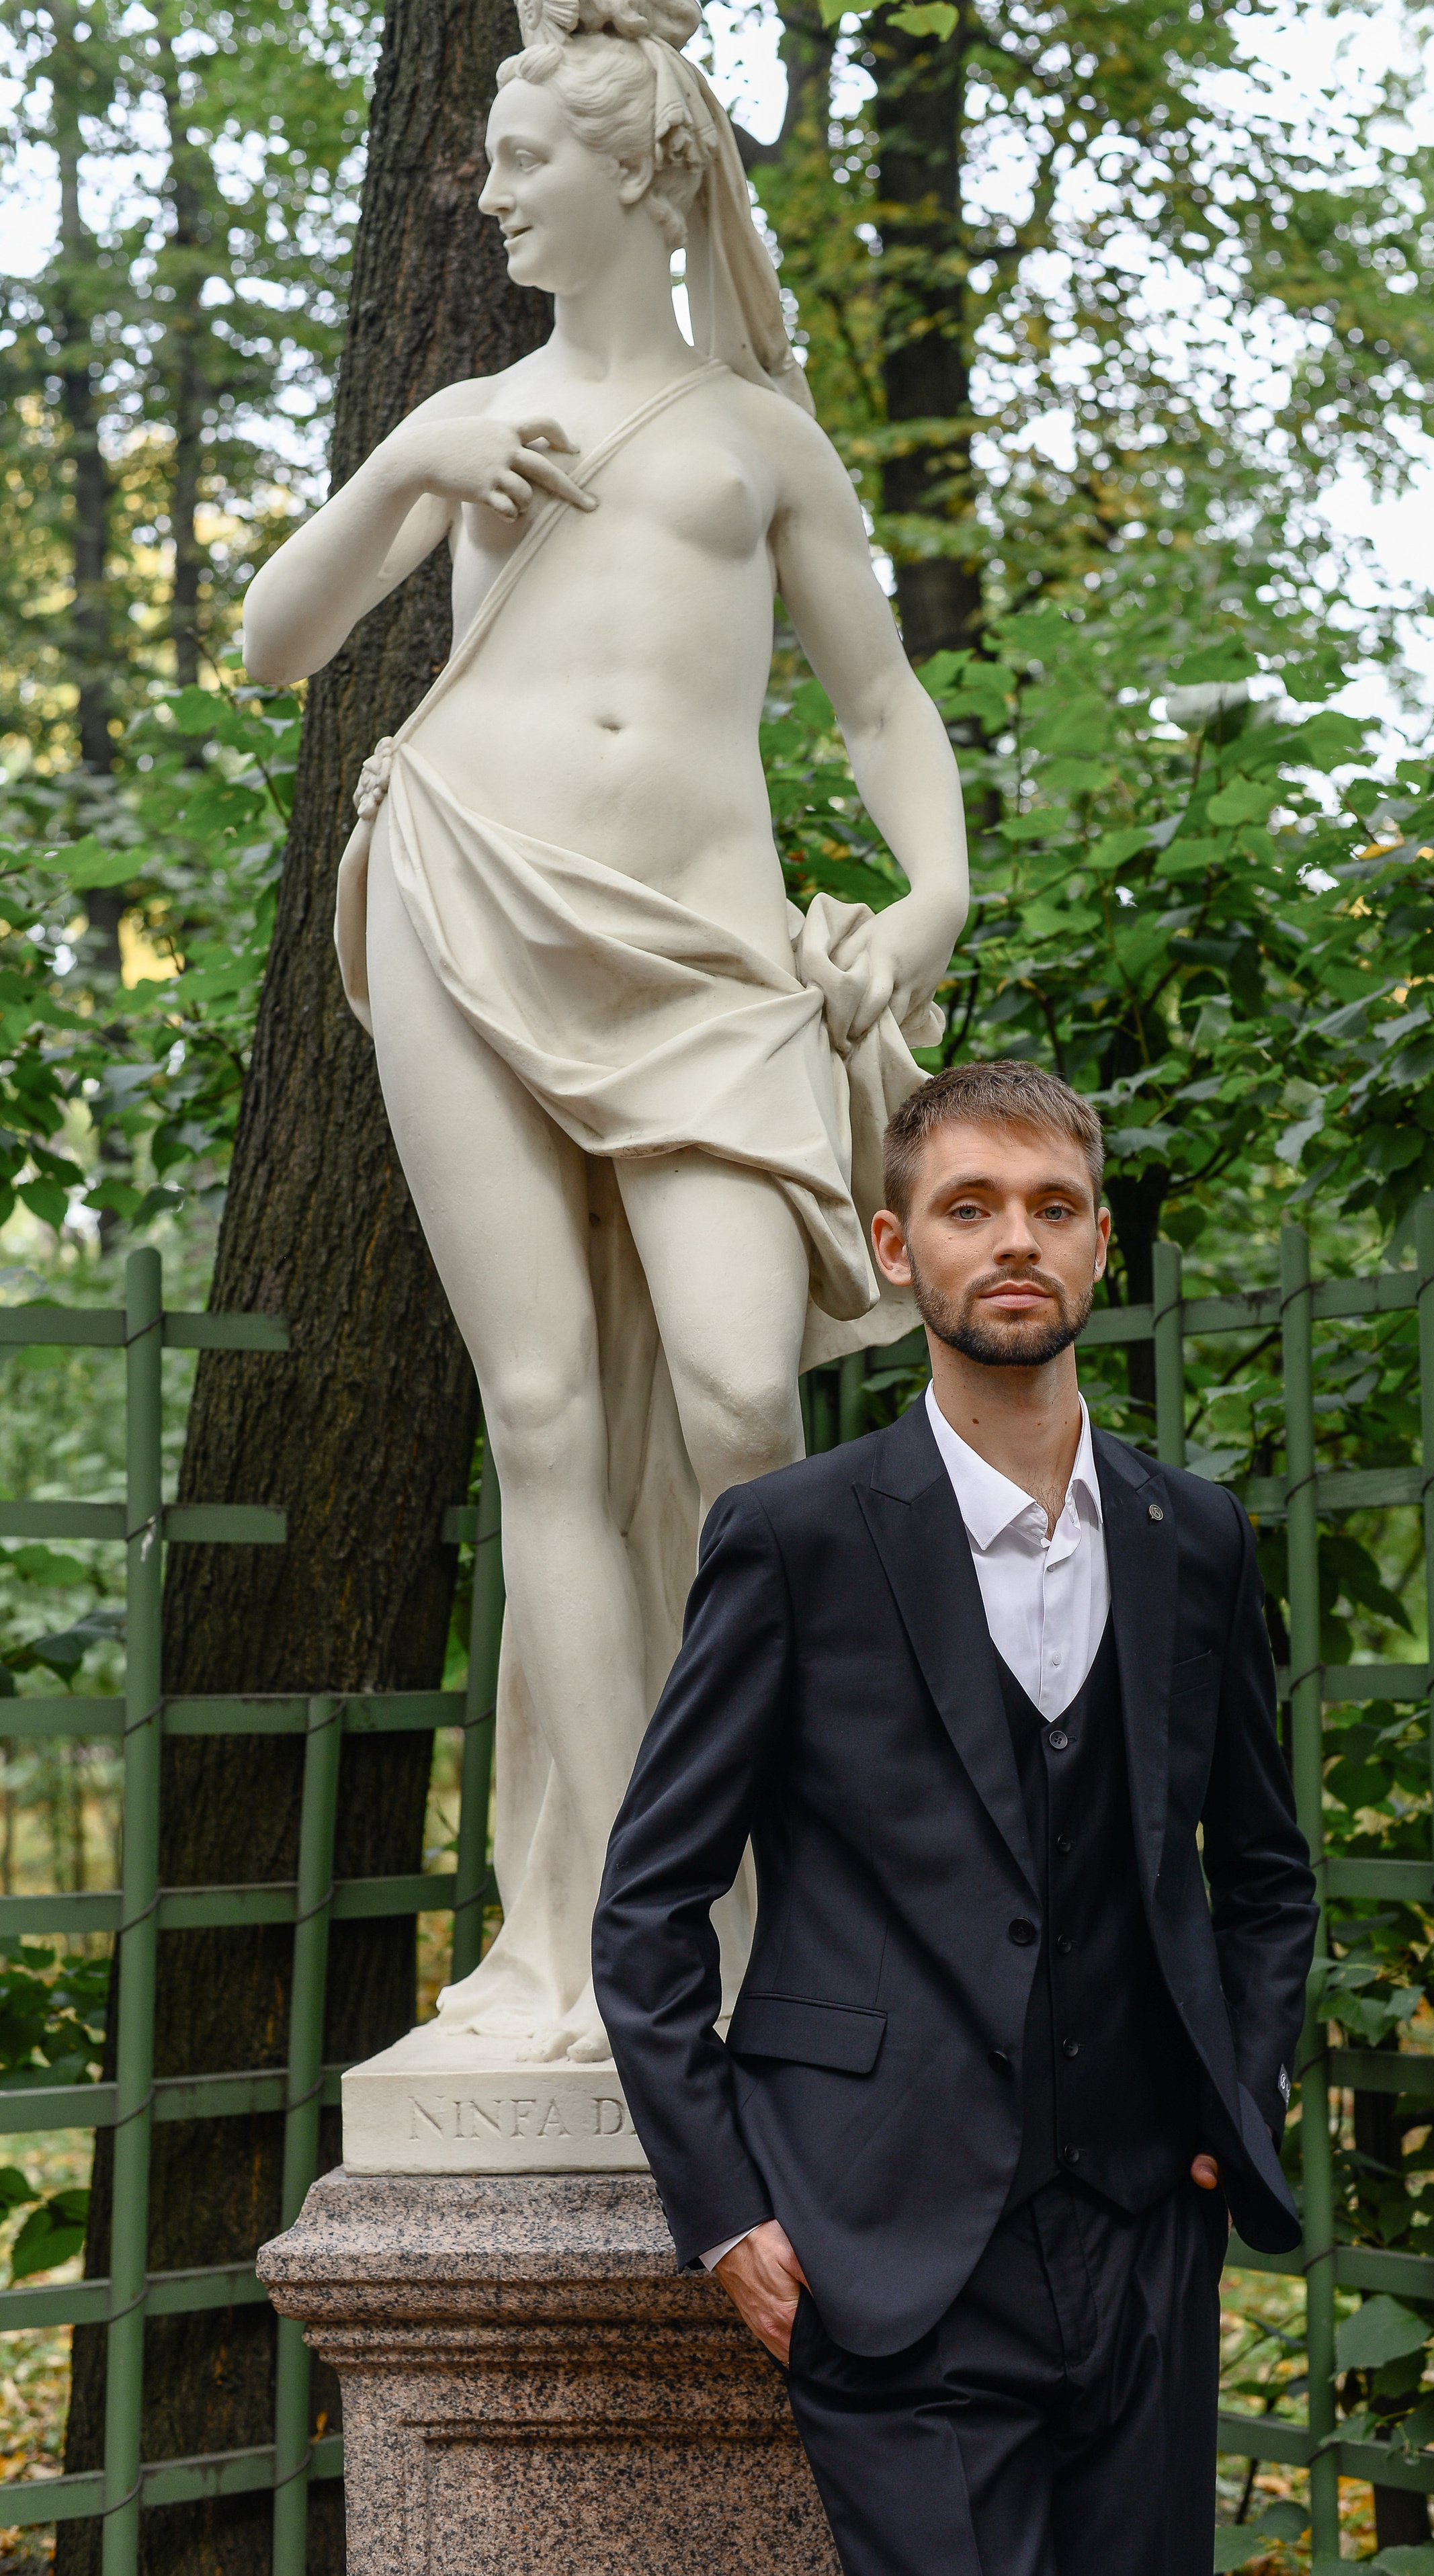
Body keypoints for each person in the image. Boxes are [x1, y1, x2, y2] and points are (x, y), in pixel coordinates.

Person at [239, 0, 968, 2065]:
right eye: (475, 159)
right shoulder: (468, 418)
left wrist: (931, 897)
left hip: (716, 951)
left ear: (643, 172)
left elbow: (882, 706)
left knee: (745, 1401)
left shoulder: (763, 438)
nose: (480, 193)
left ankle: (792, 1882)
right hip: (471, 888)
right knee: (543, 1418)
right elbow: (272, 644)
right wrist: (409, 453)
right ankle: (585, 1941)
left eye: (515, 158)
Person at [593, 1058, 1320, 2576]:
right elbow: (649, 1904)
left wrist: (1232, 2101)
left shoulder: (1194, 1537)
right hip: (880, 2235)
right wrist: (727, 2212)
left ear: (1098, 1245)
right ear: (889, 1246)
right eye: (967, 1208)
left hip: (1137, 2235)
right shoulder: (792, 1539)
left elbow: (1262, 1876)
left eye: (1051, 1208)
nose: (1012, 1242)